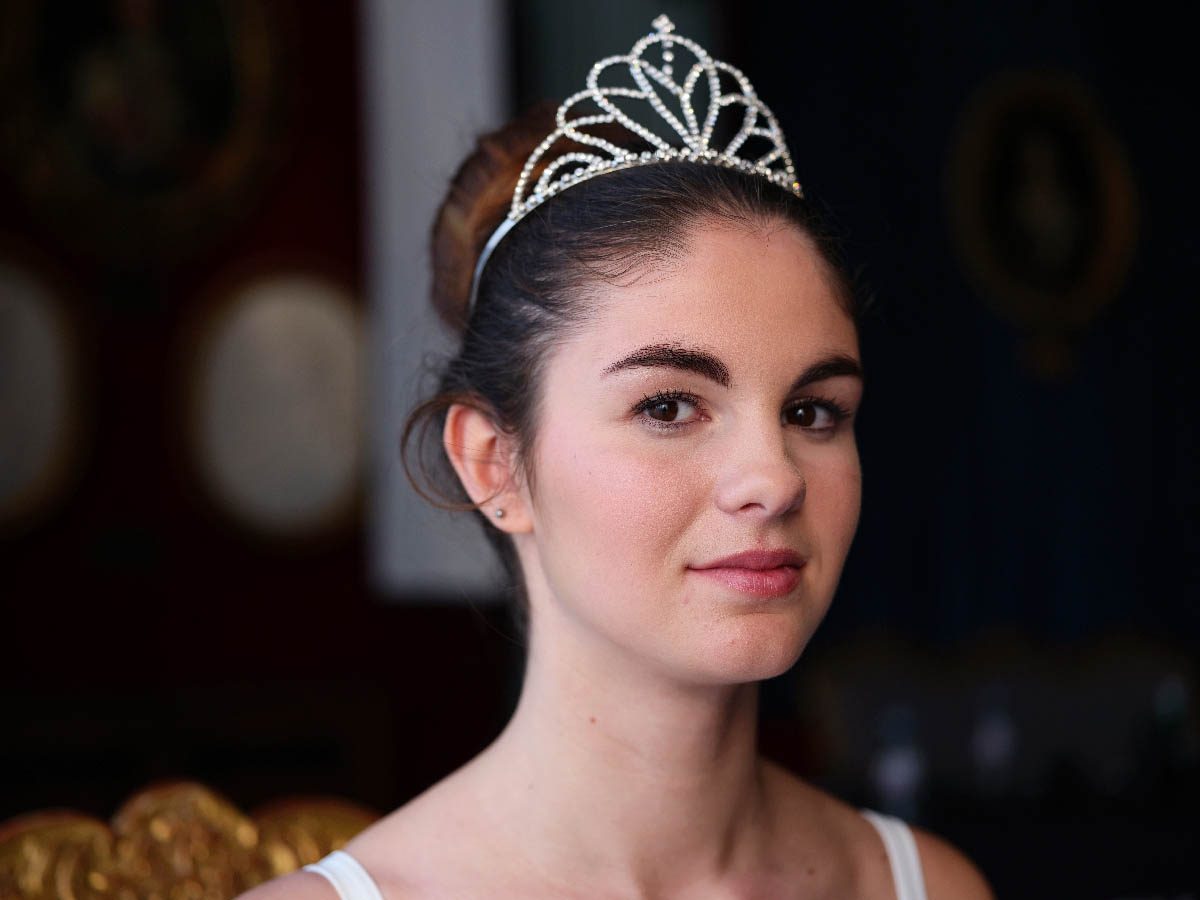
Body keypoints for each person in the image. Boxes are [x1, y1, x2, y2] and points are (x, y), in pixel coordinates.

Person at [241, 15, 993, 900]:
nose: (776, 477)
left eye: (811, 411)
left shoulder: (924, 886)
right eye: (668, 406)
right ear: (493, 464)